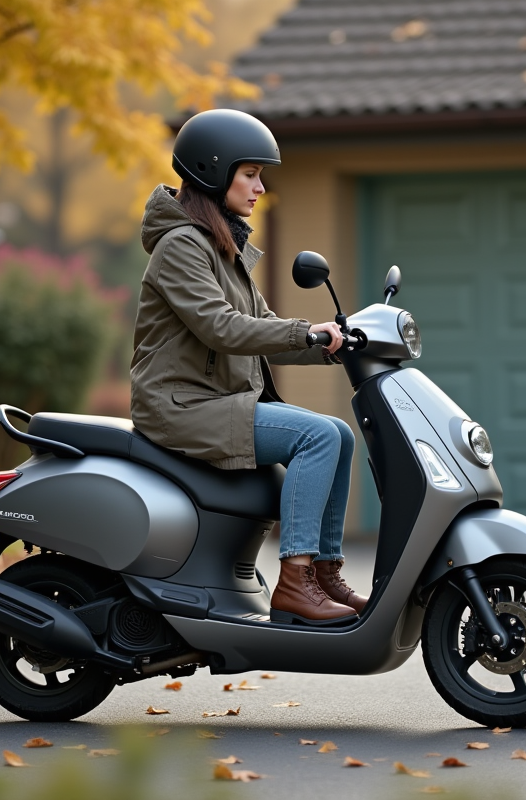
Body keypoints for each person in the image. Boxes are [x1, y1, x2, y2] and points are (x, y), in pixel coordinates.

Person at [130, 109, 367, 626]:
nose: (261, 187)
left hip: (216, 403)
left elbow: (262, 329)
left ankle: (323, 571)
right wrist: (303, 331)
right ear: (213, 173)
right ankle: (295, 578)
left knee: (339, 434)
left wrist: (333, 344)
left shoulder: (222, 248)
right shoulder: (180, 247)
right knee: (318, 438)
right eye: (251, 174)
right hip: (182, 406)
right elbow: (222, 327)